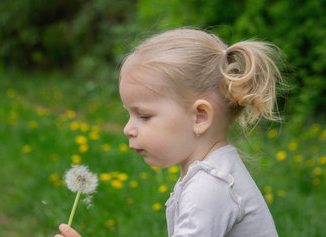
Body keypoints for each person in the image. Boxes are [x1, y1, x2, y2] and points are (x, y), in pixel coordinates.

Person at [56, 28, 283, 237]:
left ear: (200, 117)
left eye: (143, 116)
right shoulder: (213, 173)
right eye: (129, 114)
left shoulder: (209, 189)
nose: (127, 128)